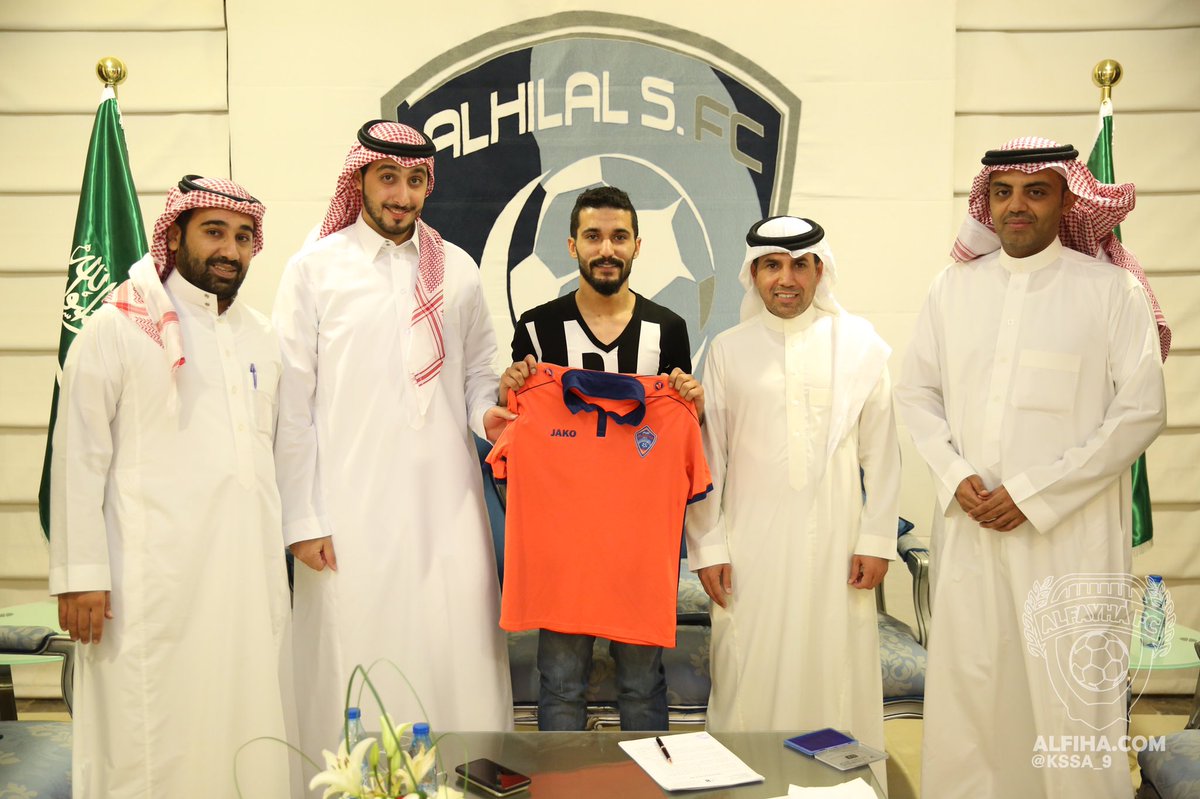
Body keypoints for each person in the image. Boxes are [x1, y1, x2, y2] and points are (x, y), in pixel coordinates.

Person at [896, 137, 1168, 799]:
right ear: (986, 202)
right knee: (972, 693)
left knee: (1069, 700)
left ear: (1068, 201)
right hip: (972, 532)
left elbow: (1140, 412)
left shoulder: (1112, 291)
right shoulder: (951, 288)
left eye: (1036, 192)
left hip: (1068, 539)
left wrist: (1033, 493)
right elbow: (916, 393)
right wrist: (954, 473)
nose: (1017, 206)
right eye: (1003, 192)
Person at [49, 176, 294, 797]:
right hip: (149, 584)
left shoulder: (262, 335)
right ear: (175, 235)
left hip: (246, 577)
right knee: (148, 735)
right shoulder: (117, 327)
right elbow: (78, 455)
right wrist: (80, 573)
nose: (230, 250)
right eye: (214, 232)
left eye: (243, 237)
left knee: (246, 722)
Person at [274, 120, 512, 754]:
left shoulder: (457, 268)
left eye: (414, 181)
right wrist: (301, 518)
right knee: (356, 649)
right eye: (387, 178)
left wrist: (486, 416)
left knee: (454, 645)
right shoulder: (315, 269)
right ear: (360, 179)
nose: (402, 196)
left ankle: (462, 781)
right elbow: (291, 404)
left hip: (448, 504)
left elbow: (478, 374)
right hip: (349, 506)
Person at [683, 217, 899, 762]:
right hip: (750, 550)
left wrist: (877, 540)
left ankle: (839, 788)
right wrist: (709, 547)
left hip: (838, 549)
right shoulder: (729, 350)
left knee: (835, 665)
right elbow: (709, 460)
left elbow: (883, 455)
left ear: (819, 271)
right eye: (772, 266)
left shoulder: (859, 346)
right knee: (747, 668)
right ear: (753, 274)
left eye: (800, 265)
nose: (786, 279)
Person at [497, 185, 703, 731]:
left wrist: (693, 405)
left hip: (639, 549)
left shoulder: (669, 329)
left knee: (642, 684)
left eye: (618, 237)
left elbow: (679, 432)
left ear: (637, 245)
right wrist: (509, 389)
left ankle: (649, 778)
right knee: (561, 684)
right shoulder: (537, 328)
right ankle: (562, 779)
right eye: (593, 236)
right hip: (562, 550)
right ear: (572, 246)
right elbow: (515, 425)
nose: (606, 249)